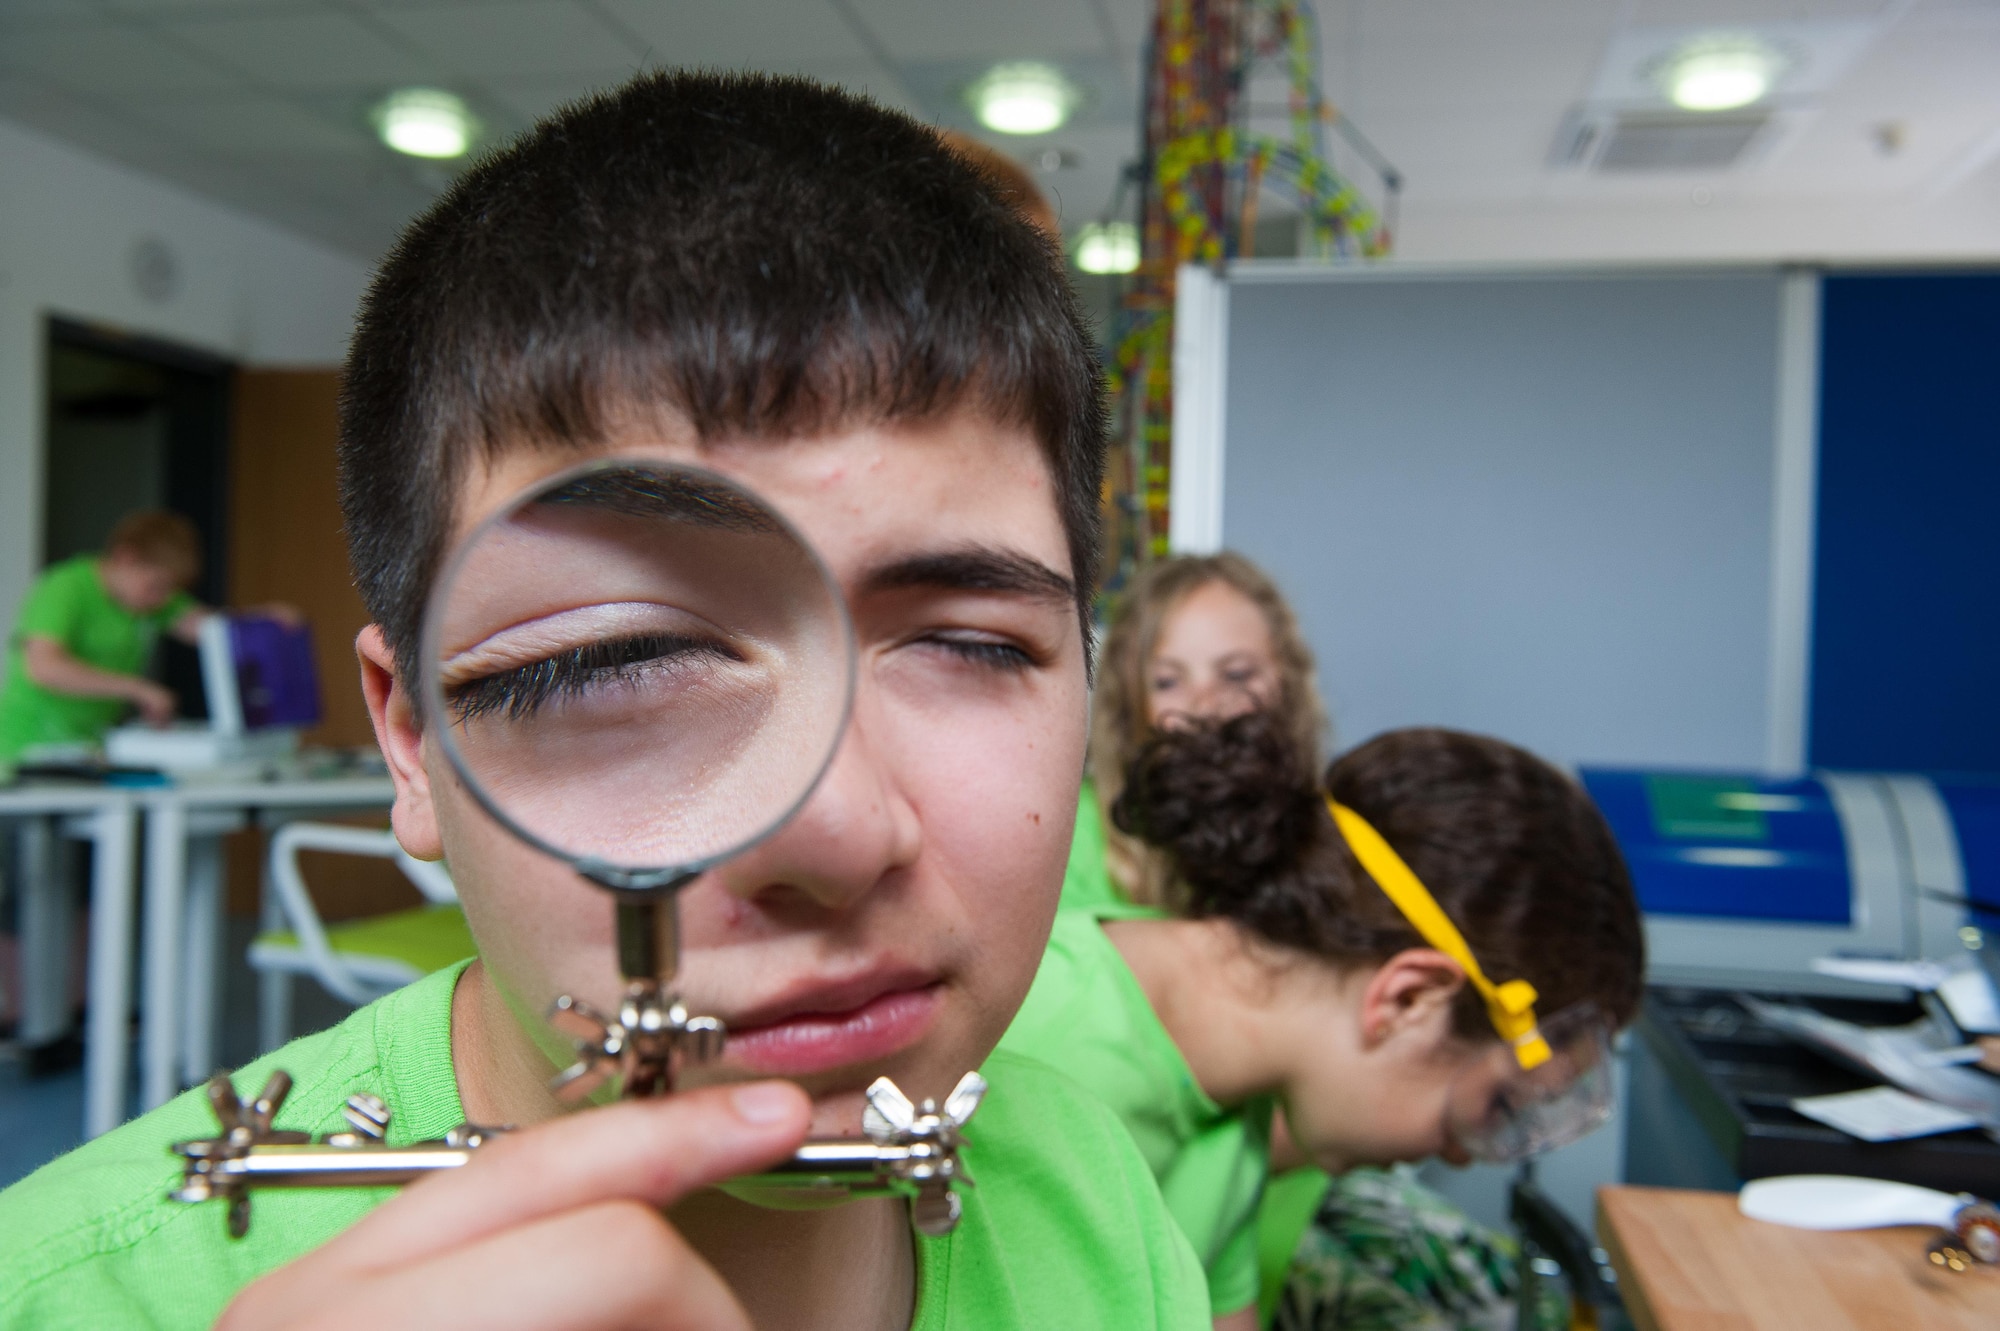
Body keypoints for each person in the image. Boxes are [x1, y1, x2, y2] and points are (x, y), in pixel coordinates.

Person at [0, 72, 1209, 1329]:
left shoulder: (1093, 1189)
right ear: (410, 741)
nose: (838, 826)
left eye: (968, 644)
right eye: (616, 661)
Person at [1002, 715, 1644, 1331]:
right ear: (1408, 998)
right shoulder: (1023, 1041)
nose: (1456, 1154)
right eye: (1494, 1103)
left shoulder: (1237, 1124)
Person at [1068, 552, 1328, 914]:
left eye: (1236, 675)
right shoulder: (1065, 839)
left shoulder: (1334, 844)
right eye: (1167, 682)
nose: (1205, 708)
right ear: (1128, 703)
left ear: (1287, 686)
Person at [0, 511, 206, 763]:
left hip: (89, 748)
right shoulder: (64, 587)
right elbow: (44, 668)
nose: (162, 600)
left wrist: (262, 621)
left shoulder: (150, 603)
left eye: (170, 590)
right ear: (125, 558)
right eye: (156, 586)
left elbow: (212, 631)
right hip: (27, 749)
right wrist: (136, 689)